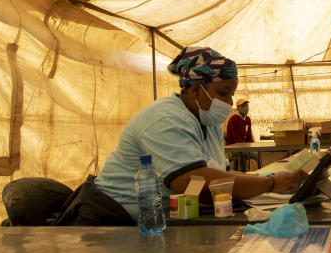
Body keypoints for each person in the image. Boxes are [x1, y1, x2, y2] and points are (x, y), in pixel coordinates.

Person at [92, 46, 306, 219]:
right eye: (223, 93)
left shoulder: (206, 120)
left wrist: (272, 178)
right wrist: (270, 184)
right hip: (115, 220)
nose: (230, 102)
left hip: (168, 216)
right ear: (195, 89)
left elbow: (218, 174)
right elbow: (196, 183)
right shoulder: (166, 119)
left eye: (232, 94)